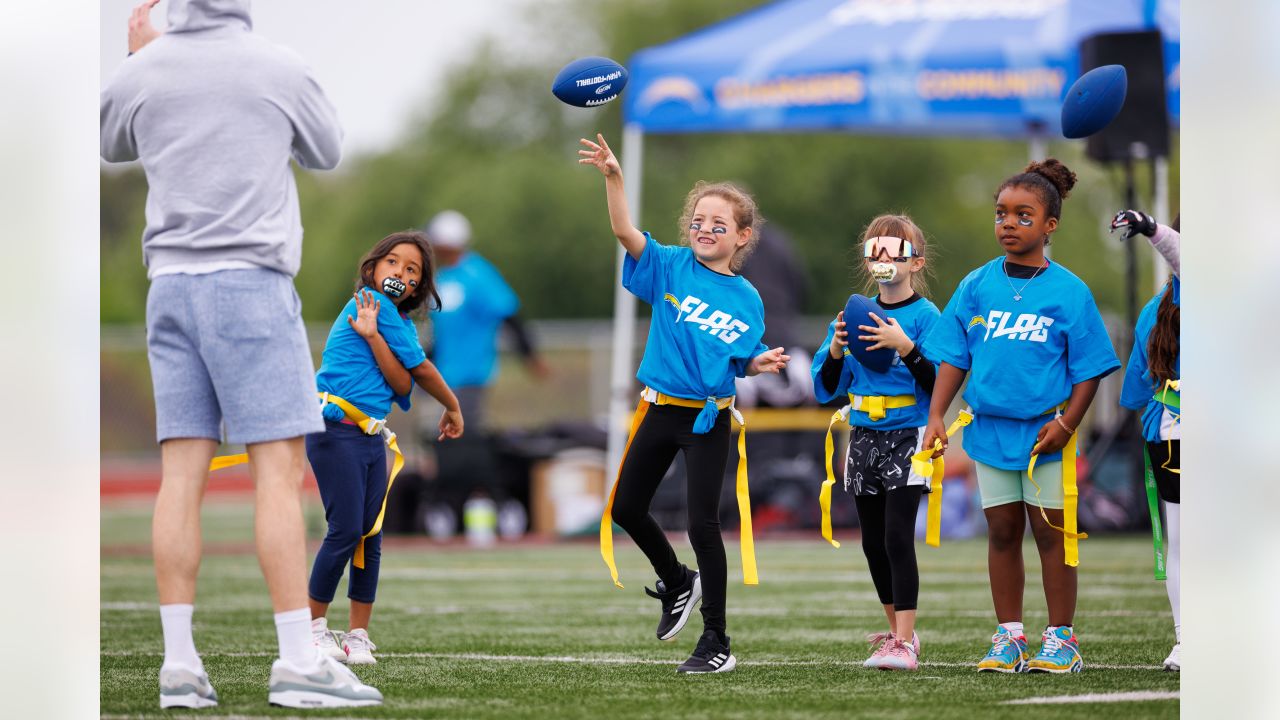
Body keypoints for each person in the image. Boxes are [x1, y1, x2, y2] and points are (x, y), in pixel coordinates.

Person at [100, 0, 382, 708]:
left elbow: (109, 141)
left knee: (181, 474)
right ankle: (296, 661)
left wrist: (141, 56)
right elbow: (327, 150)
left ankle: (180, 667)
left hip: (168, 288)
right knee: (278, 473)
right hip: (249, 287)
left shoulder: (149, 65)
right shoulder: (277, 65)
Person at [578, 133, 789, 673]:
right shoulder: (671, 266)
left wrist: (756, 362)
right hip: (658, 408)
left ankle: (716, 640)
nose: (705, 230)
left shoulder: (746, 297)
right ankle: (677, 580)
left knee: (702, 525)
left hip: (706, 419)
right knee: (625, 508)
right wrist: (614, 179)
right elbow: (624, 231)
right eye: (698, 220)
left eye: (718, 224)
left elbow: (737, 353)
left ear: (742, 237)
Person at [921, 159, 1121, 674]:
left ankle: (1062, 639)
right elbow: (953, 355)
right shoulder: (977, 285)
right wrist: (937, 415)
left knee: (1052, 532)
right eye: (1001, 214)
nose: (1008, 224)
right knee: (1003, 532)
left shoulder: (1070, 291)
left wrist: (1068, 424)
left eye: (1023, 216)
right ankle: (1009, 636)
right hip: (988, 431)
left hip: (1046, 432)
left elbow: (1090, 370)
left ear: (1050, 225)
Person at [307, 231, 464, 666]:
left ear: (418, 287)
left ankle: (357, 635)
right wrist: (453, 406)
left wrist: (374, 339)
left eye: (411, 270)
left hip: (370, 436)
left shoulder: (389, 321)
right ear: (374, 268)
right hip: (336, 430)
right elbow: (423, 369)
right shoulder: (369, 302)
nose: (400, 272)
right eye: (393, 262)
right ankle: (313, 628)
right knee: (344, 530)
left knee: (369, 533)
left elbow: (400, 383)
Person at [810, 215, 940, 671]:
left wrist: (904, 345)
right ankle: (897, 632)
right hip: (864, 432)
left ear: (915, 261)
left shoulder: (926, 317)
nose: (883, 259)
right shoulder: (850, 315)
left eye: (893, 251)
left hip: (910, 433)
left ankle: (904, 642)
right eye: (875, 251)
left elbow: (940, 381)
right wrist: (835, 350)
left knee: (897, 534)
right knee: (871, 541)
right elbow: (824, 387)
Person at [1115, 212, 1181, 671]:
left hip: (1170, 434)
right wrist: (1152, 227)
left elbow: (1135, 392)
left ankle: (1188, 640)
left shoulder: (1150, 312)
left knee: (1183, 545)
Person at [423, 209, 549, 432]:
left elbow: (509, 314)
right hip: (441, 373)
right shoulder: (443, 277)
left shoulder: (479, 274)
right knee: (435, 435)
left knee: (461, 433)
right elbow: (439, 331)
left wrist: (529, 355)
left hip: (470, 373)